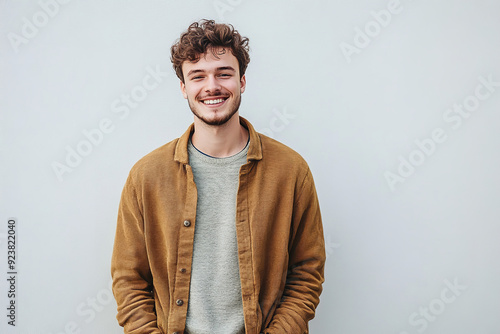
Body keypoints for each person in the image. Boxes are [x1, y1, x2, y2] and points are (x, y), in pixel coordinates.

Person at [111, 19, 326, 334]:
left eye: (223, 73)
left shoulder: (291, 171)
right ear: (184, 88)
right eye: (198, 76)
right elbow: (128, 278)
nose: (212, 86)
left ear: (242, 81)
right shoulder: (146, 177)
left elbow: (307, 270)